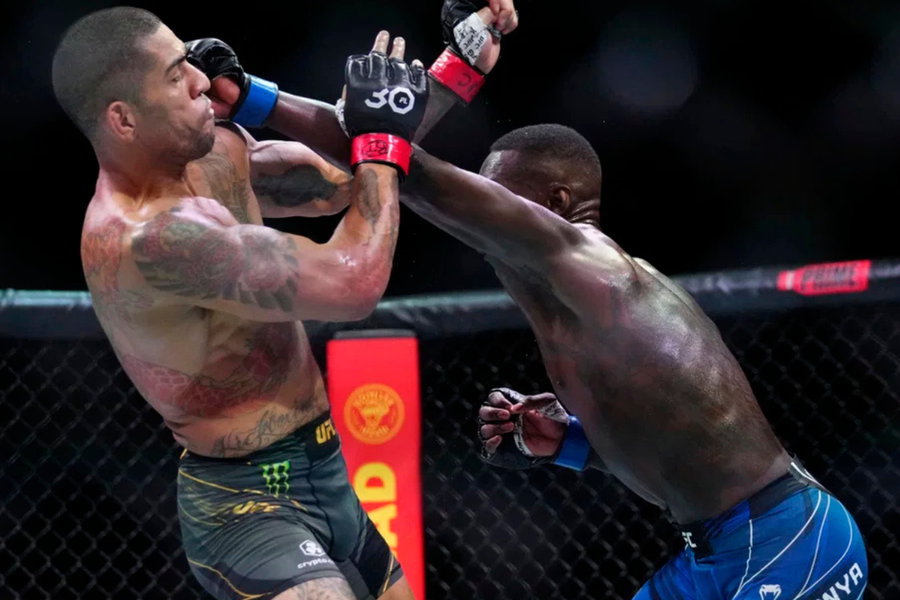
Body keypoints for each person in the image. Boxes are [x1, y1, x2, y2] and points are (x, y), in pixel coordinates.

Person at [396, 120, 871, 598]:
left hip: (792, 543)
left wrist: (383, 129)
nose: (482, 219)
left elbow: (429, 182)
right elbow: (678, 447)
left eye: (496, 198)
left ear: (556, 202)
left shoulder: (600, 273)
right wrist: (567, 442)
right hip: (712, 553)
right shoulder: (574, 311)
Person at [51, 5, 431, 599]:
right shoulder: (149, 239)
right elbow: (354, 281)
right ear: (123, 119)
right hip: (245, 505)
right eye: (176, 75)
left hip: (331, 471)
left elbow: (358, 176)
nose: (201, 80)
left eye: (189, 62)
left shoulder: (216, 155)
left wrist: (459, 68)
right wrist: (381, 139)